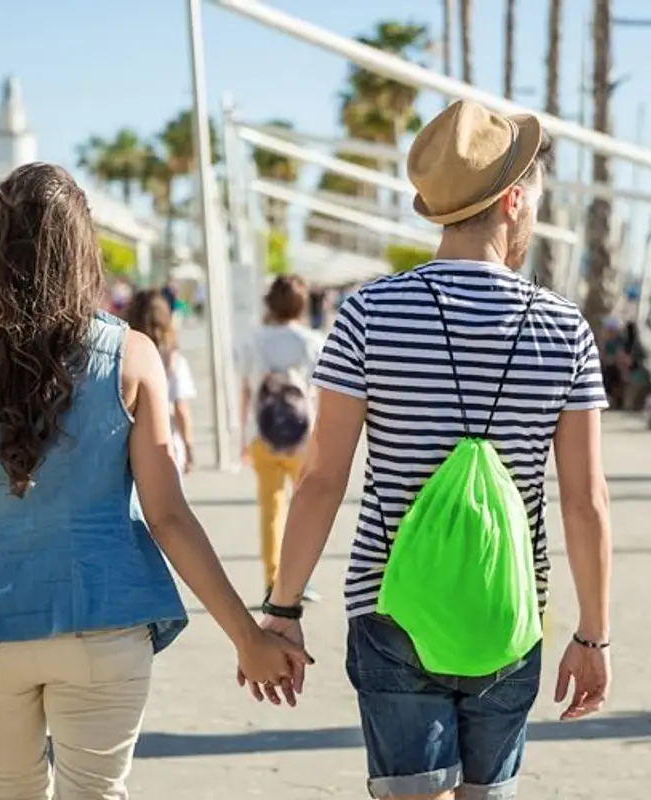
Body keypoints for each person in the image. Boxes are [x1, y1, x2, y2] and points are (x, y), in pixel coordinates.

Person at [243, 101, 612, 799]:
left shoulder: (368, 313)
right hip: (507, 611)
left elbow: (321, 479)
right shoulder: (565, 329)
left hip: (390, 605)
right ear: (512, 200)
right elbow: (585, 501)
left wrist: (283, 611)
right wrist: (593, 636)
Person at [0, 163, 311, 800]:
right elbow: (168, 516)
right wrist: (246, 636)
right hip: (104, 624)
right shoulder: (131, 354)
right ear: (80, 251)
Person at [239, 275, 324, 603]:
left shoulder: (254, 341)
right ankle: (300, 580)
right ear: (302, 305)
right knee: (305, 509)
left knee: (271, 510)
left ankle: (272, 580)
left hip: (263, 435)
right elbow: (321, 393)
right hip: (302, 437)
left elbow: (246, 391)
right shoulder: (311, 341)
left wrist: (243, 437)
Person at [126, 288, 196, 473]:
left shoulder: (124, 358)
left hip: (129, 450)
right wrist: (189, 446)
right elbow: (181, 408)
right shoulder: (174, 361)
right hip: (166, 446)